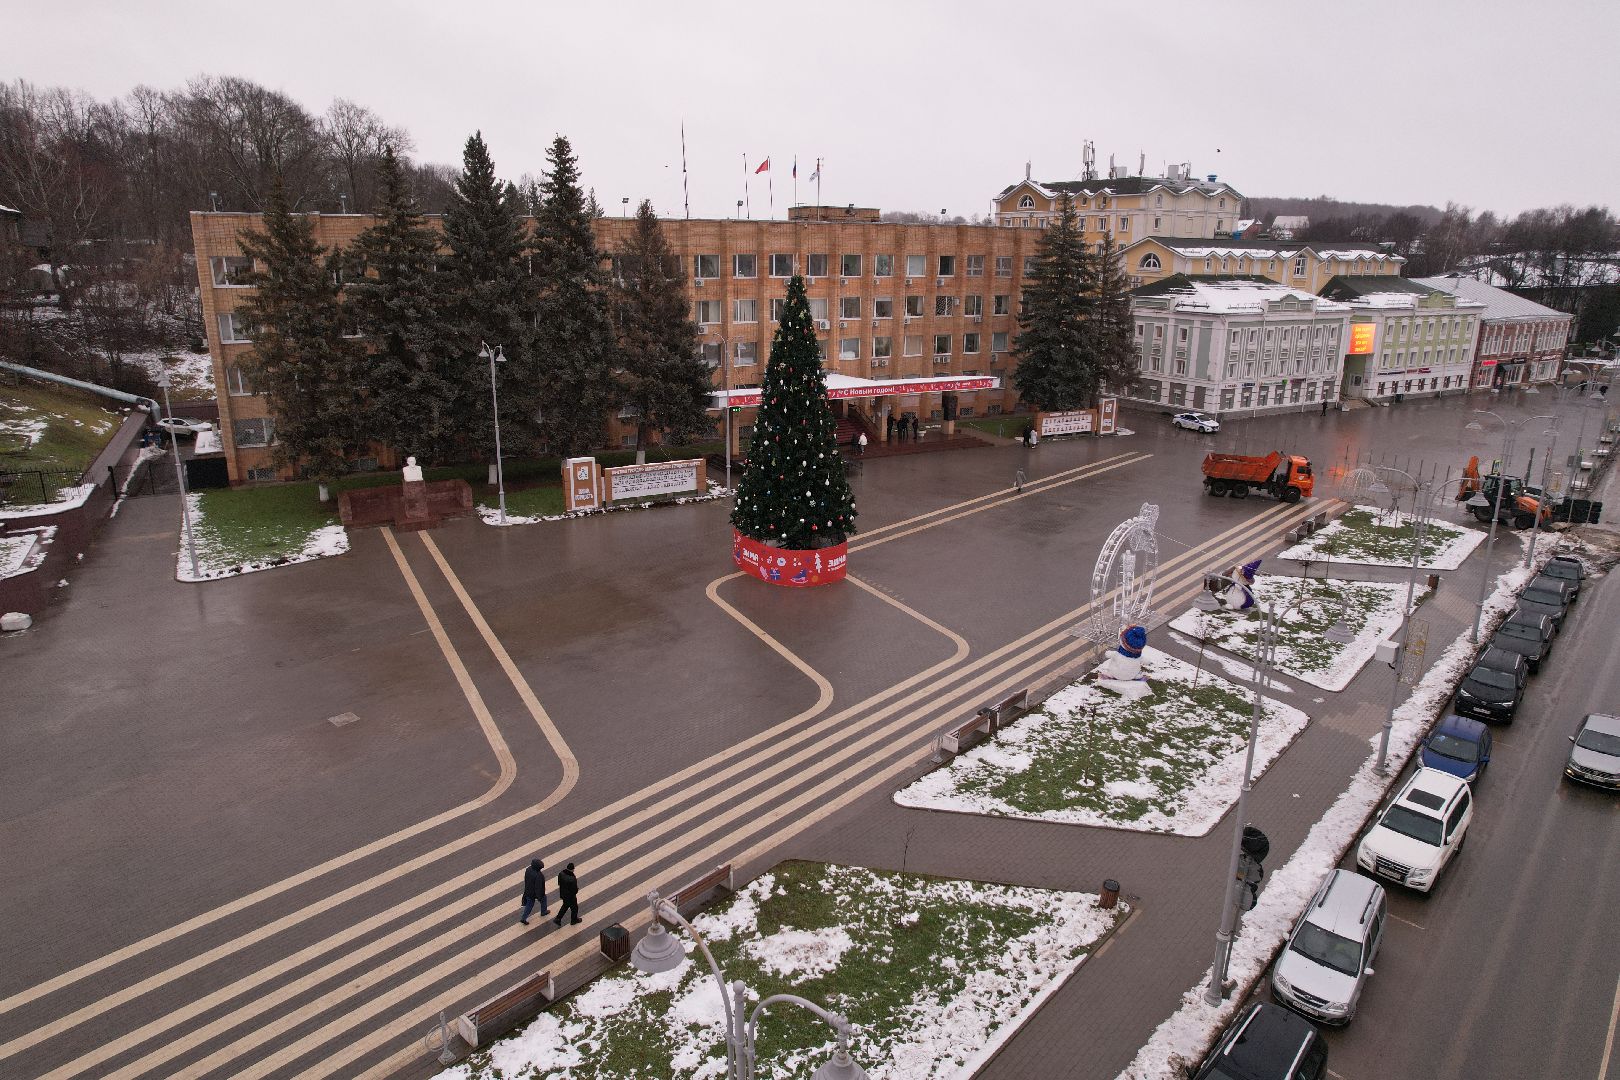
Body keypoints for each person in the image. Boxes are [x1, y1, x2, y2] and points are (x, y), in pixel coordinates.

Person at [519, 858, 547, 924]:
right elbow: (538, 887)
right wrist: (539, 896)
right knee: (544, 899)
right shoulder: (538, 875)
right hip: (535, 893)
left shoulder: (528, 869)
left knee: (529, 905)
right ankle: (543, 912)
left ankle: (523, 918)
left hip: (528, 890)